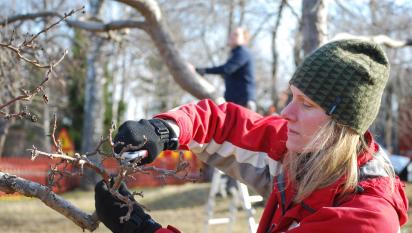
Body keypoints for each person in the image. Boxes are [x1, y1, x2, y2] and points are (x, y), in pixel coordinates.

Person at [94, 39, 408, 233]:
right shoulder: (302, 152)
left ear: (343, 125)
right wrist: (165, 130)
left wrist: (143, 231)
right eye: (292, 97)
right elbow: (224, 123)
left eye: (306, 104)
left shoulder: (365, 220)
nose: (287, 113)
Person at [194, 26, 256, 111]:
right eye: (231, 35)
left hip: (243, 102)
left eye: (236, 35)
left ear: (244, 40)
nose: (232, 37)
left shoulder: (242, 52)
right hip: (235, 102)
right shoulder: (235, 53)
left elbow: (227, 69)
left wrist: (203, 70)